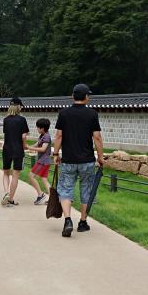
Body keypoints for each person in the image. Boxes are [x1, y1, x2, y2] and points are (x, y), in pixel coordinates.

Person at [53, 84, 104, 238]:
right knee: (86, 190)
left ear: (73, 96)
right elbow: (97, 137)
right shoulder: (92, 114)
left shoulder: (64, 113)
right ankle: (82, 222)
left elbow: (59, 136)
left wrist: (55, 153)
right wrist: (100, 157)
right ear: (86, 97)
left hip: (68, 159)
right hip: (87, 160)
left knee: (66, 189)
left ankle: (68, 220)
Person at [1, 97, 29, 207]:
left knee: (6, 173)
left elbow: (6, 134)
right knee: (15, 175)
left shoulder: (5, 119)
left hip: (6, 148)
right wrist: (25, 146)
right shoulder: (22, 120)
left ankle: (6, 193)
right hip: (18, 149)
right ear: (18, 106)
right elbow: (23, 136)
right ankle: (11, 199)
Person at [26, 118, 51, 205]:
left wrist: (31, 148)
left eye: (38, 127)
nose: (36, 129)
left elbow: (43, 149)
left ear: (42, 128)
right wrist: (28, 147)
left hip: (43, 161)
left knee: (31, 176)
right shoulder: (42, 136)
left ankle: (40, 195)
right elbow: (36, 145)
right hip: (44, 161)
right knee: (44, 179)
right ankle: (53, 199)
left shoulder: (47, 136)